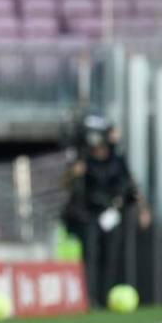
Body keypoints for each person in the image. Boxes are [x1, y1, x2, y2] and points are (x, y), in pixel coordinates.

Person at [62, 115, 151, 307]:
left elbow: (131, 186)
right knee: (90, 256)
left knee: (110, 256)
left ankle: (106, 297)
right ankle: (90, 298)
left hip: (112, 214)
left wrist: (143, 209)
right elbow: (67, 186)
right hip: (89, 215)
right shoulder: (83, 161)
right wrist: (73, 173)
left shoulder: (117, 161)